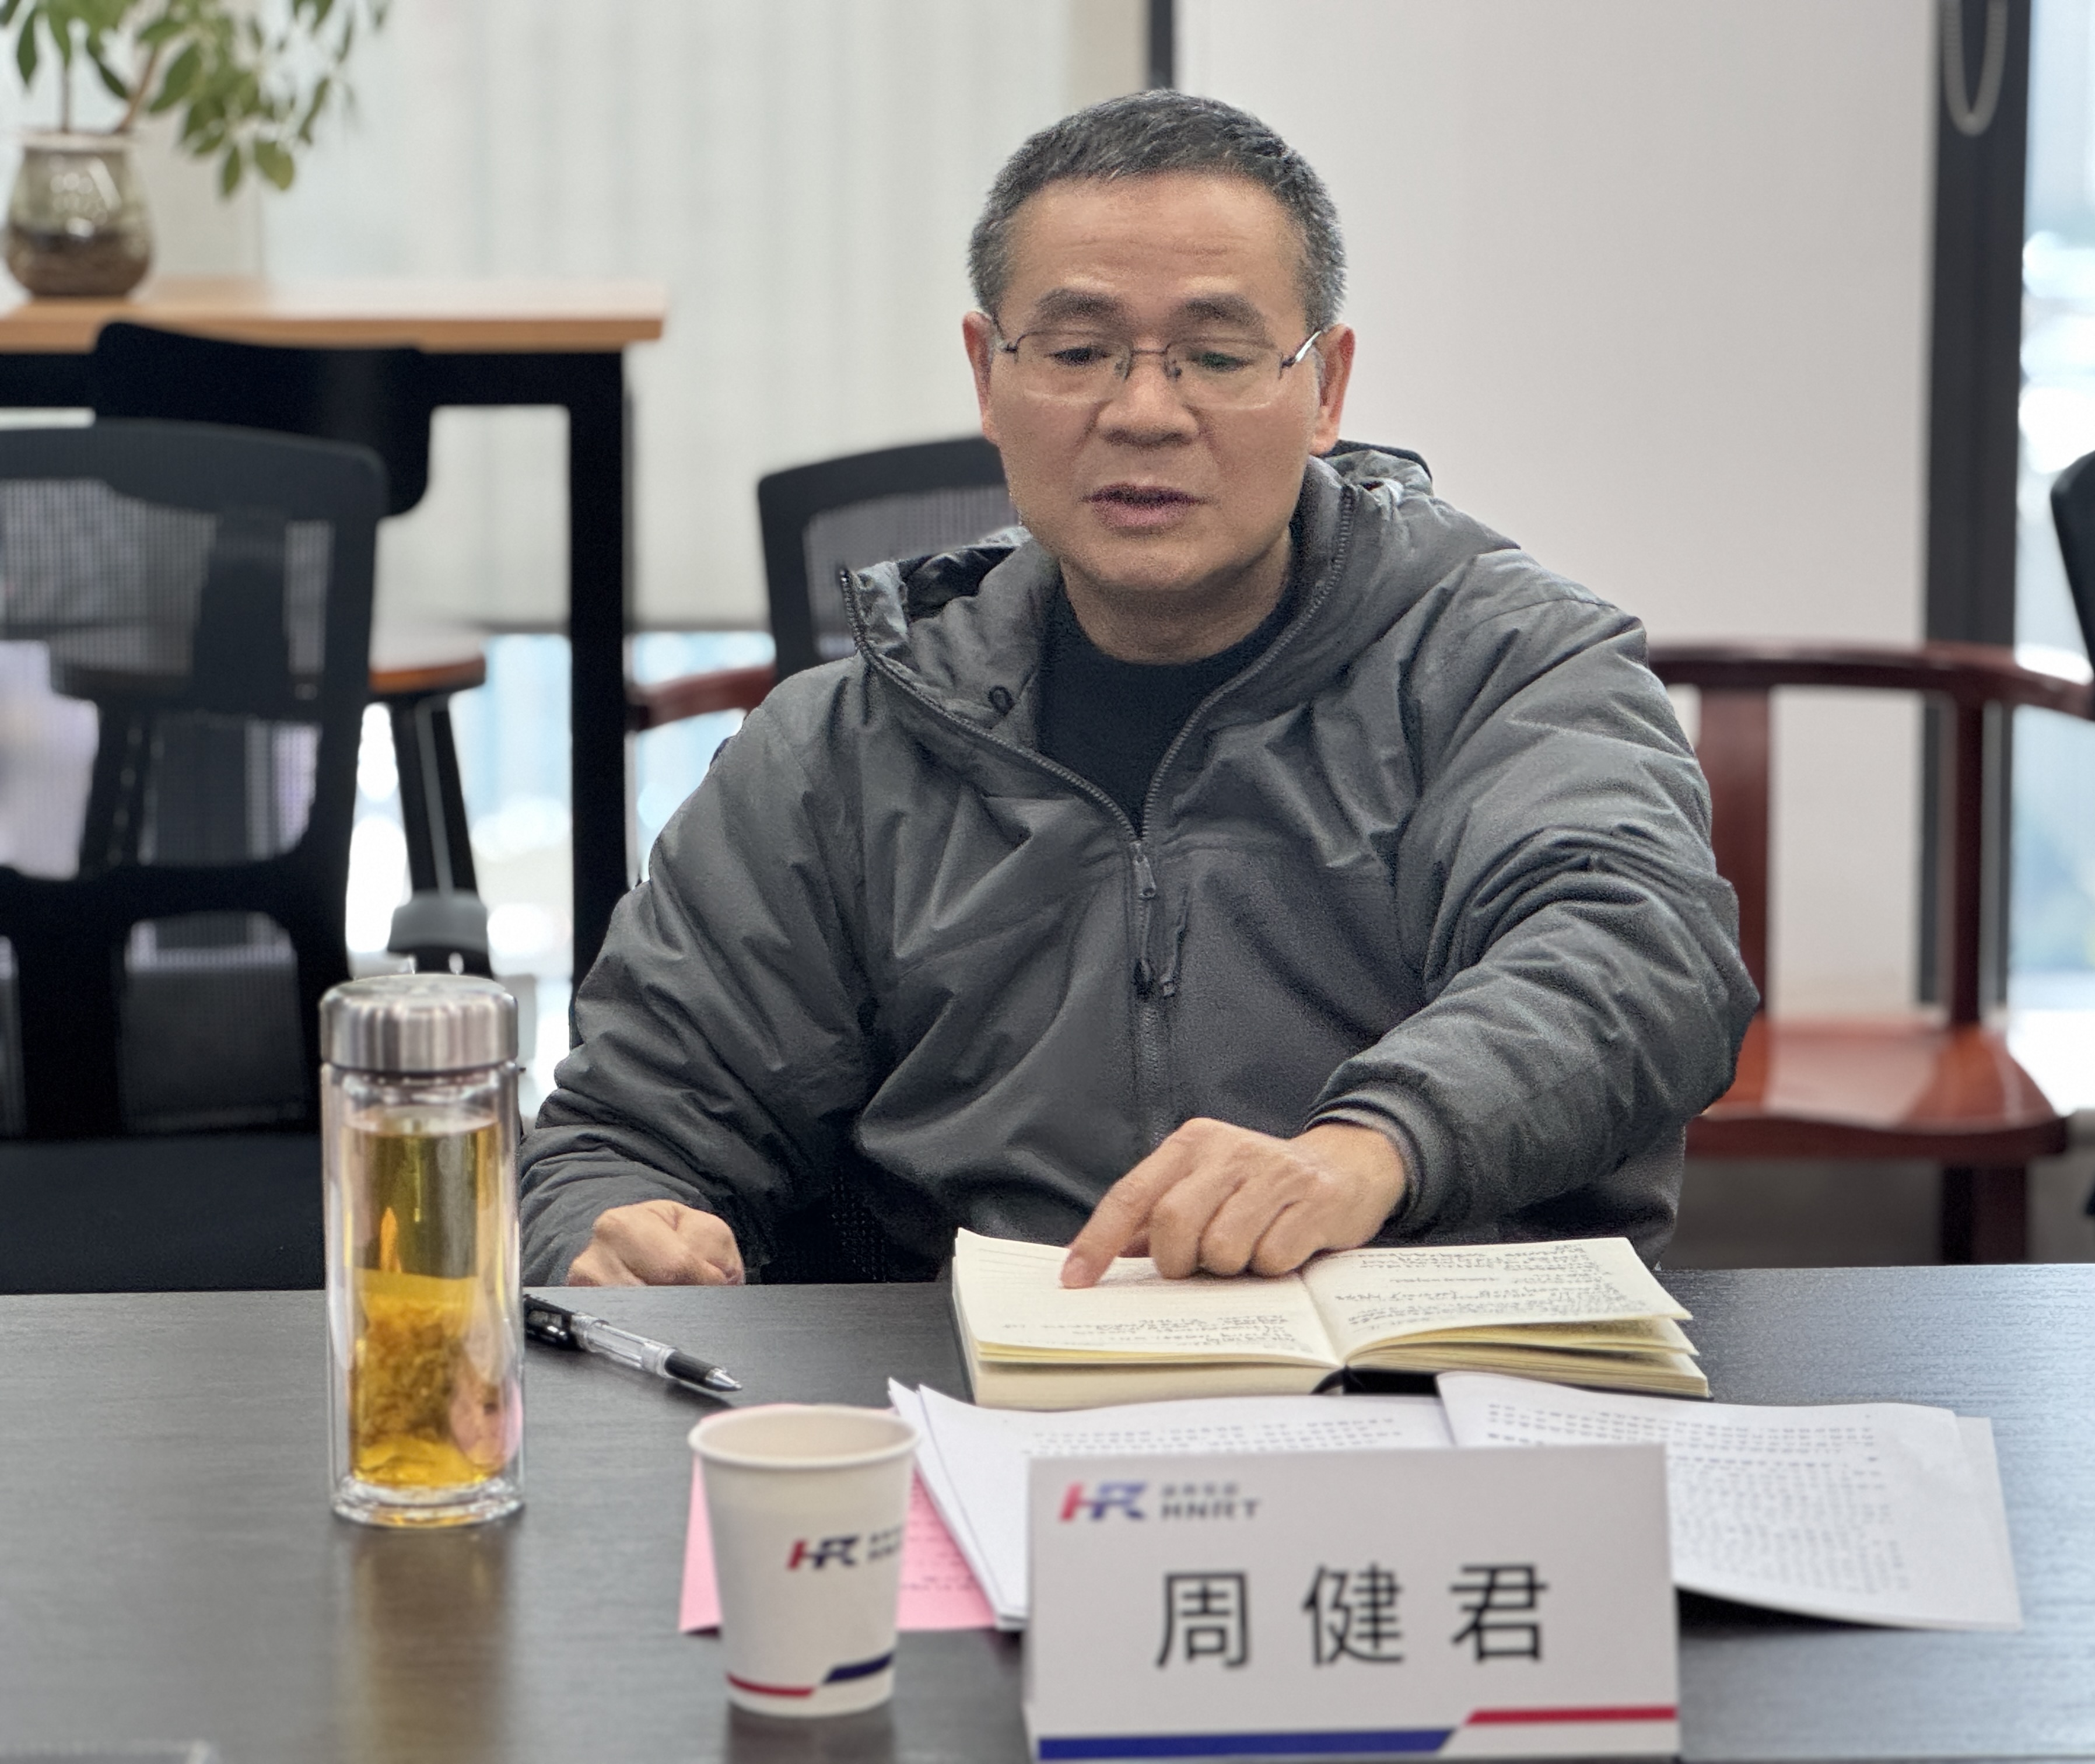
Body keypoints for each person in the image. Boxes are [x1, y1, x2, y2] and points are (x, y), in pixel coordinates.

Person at [520, 91, 1755, 1292]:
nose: (1146, 412)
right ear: (986, 374)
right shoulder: (839, 750)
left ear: (1325, 388)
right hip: (965, 1388)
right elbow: (626, 1130)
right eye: (1077, 352)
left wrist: (1370, 1150)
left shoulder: (1506, 663)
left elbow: (1638, 952)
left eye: (1217, 355)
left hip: (1422, 1376)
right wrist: (607, 1232)